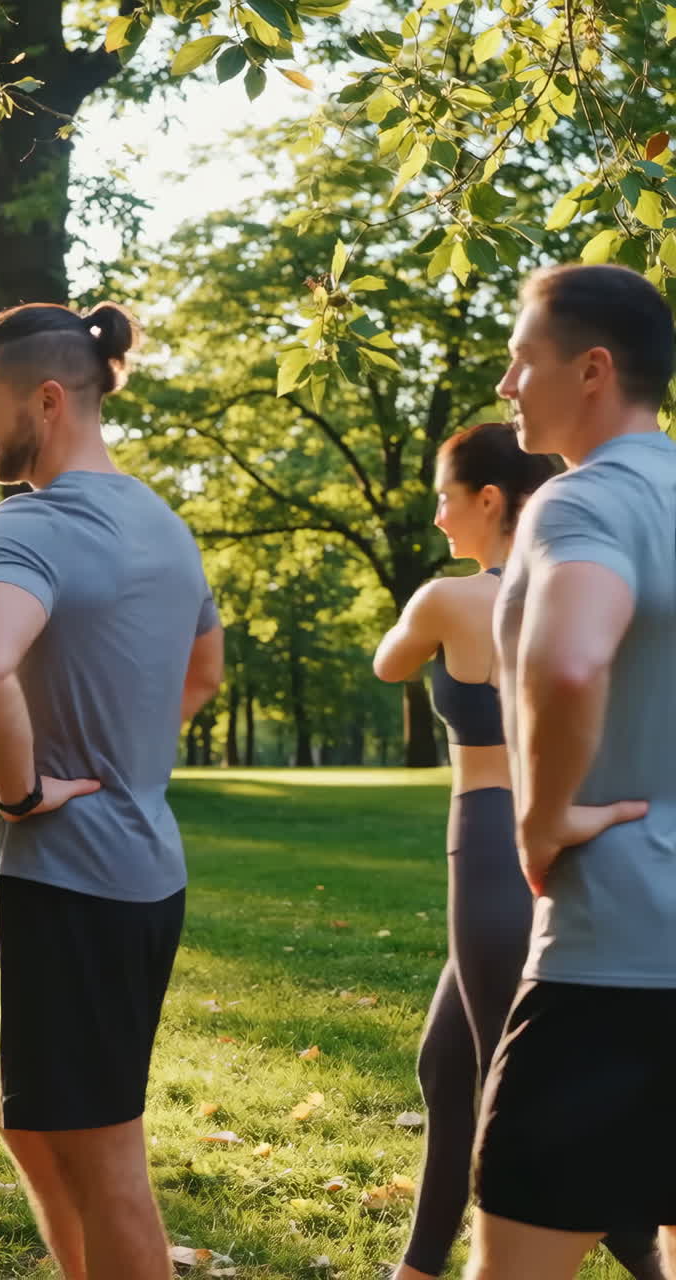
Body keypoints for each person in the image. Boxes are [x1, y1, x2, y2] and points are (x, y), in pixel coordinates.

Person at [0, 301, 223, 1280]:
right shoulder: (164, 524)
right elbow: (204, 673)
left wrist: (22, 792)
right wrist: (125, 757)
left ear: (48, 399)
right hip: (133, 876)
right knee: (28, 1118)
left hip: (76, 883)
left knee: (105, 1159)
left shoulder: (30, 524)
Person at [373, 421, 663, 1280]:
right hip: (576, 832)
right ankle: (417, 1268)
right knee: (445, 1064)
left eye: (445, 498)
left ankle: (647, 1259)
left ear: (490, 499)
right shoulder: (588, 588)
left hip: (495, 846)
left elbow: (390, 664)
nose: (436, 517)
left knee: (525, 1101)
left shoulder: (446, 600)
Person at [464, 262, 676, 1280]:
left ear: (593, 370)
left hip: (611, 963)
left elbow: (570, 659)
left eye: (523, 359)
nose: (507, 384)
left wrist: (542, 818)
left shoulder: (579, 501)